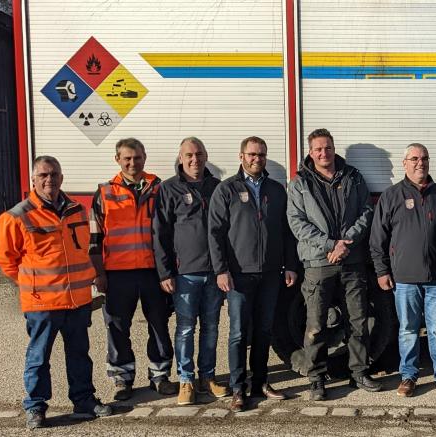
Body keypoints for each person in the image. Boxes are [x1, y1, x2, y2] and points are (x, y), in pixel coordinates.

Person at [0, 156, 113, 429]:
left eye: (54, 174)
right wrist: (30, 284)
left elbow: (83, 249)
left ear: (62, 177)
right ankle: (35, 407)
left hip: (77, 301)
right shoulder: (17, 216)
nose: (50, 180)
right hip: (42, 304)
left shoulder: (76, 210)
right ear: (33, 180)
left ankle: (84, 401)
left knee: (80, 355)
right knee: (39, 358)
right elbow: (4, 259)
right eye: (44, 175)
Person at [287, 128, 381, 400]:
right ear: (310, 152)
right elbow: (297, 222)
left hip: (352, 259)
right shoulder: (300, 183)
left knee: (358, 321)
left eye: (327, 147)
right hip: (318, 262)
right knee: (316, 324)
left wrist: (346, 242)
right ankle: (316, 378)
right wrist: (330, 245)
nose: (323, 153)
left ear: (333, 148)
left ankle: (359, 372)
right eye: (318, 149)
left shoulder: (353, 177)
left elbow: (366, 211)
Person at [209, 136, 299, 412]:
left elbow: (287, 231)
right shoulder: (226, 190)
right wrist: (221, 270)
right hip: (238, 275)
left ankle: (260, 382)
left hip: (270, 273)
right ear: (241, 157)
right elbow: (215, 233)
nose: (256, 159)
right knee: (238, 333)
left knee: (264, 330)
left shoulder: (276, 190)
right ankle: (238, 388)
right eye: (251, 154)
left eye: (261, 155)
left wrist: (290, 264)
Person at [89, 138, 174, 401]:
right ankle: (122, 379)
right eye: (127, 158)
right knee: (116, 327)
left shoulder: (159, 188)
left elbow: (171, 232)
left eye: (137, 157)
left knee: (159, 324)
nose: (132, 163)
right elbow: (94, 239)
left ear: (144, 157)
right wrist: (99, 274)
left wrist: (170, 270)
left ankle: (160, 376)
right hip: (117, 274)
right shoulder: (104, 193)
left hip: (153, 272)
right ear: (117, 160)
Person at [370, 143, 436, 397]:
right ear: (404, 163)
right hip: (404, 279)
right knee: (408, 330)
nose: (420, 163)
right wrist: (382, 271)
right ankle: (408, 376)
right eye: (415, 158)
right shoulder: (391, 196)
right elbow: (378, 238)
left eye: (424, 158)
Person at [152, 137, 230, 405]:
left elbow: (226, 230)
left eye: (199, 154)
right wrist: (165, 272)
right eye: (189, 155)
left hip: (215, 272)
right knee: (185, 328)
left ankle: (207, 377)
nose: (194, 159)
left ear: (206, 156)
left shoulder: (218, 187)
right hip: (184, 273)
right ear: (181, 158)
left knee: (211, 327)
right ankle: (186, 380)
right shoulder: (169, 188)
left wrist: (225, 268)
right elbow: (160, 233)